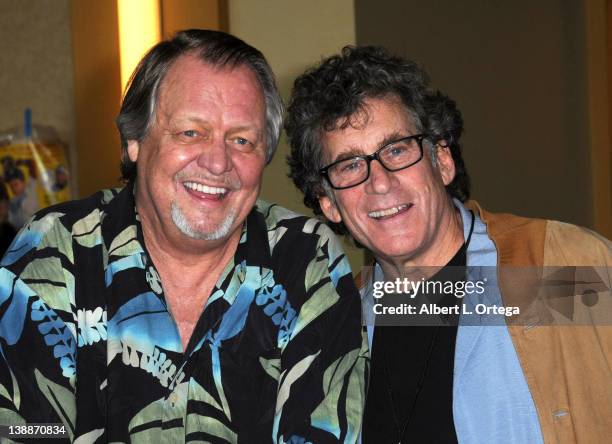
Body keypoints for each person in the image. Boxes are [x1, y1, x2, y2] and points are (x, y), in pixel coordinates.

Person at [0, 30, 367, 443]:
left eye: (242, 140)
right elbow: (25, 430)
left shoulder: (304, 259)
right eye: (191, 132)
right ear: (134, 141)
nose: (217, 161)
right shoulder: (54, 250)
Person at [286, 46, 611, 443]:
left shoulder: (552, 268)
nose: (381, 182)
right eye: (350, 165)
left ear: (441, 160)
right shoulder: (335, 328)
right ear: (328, 202)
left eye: (397, 149)